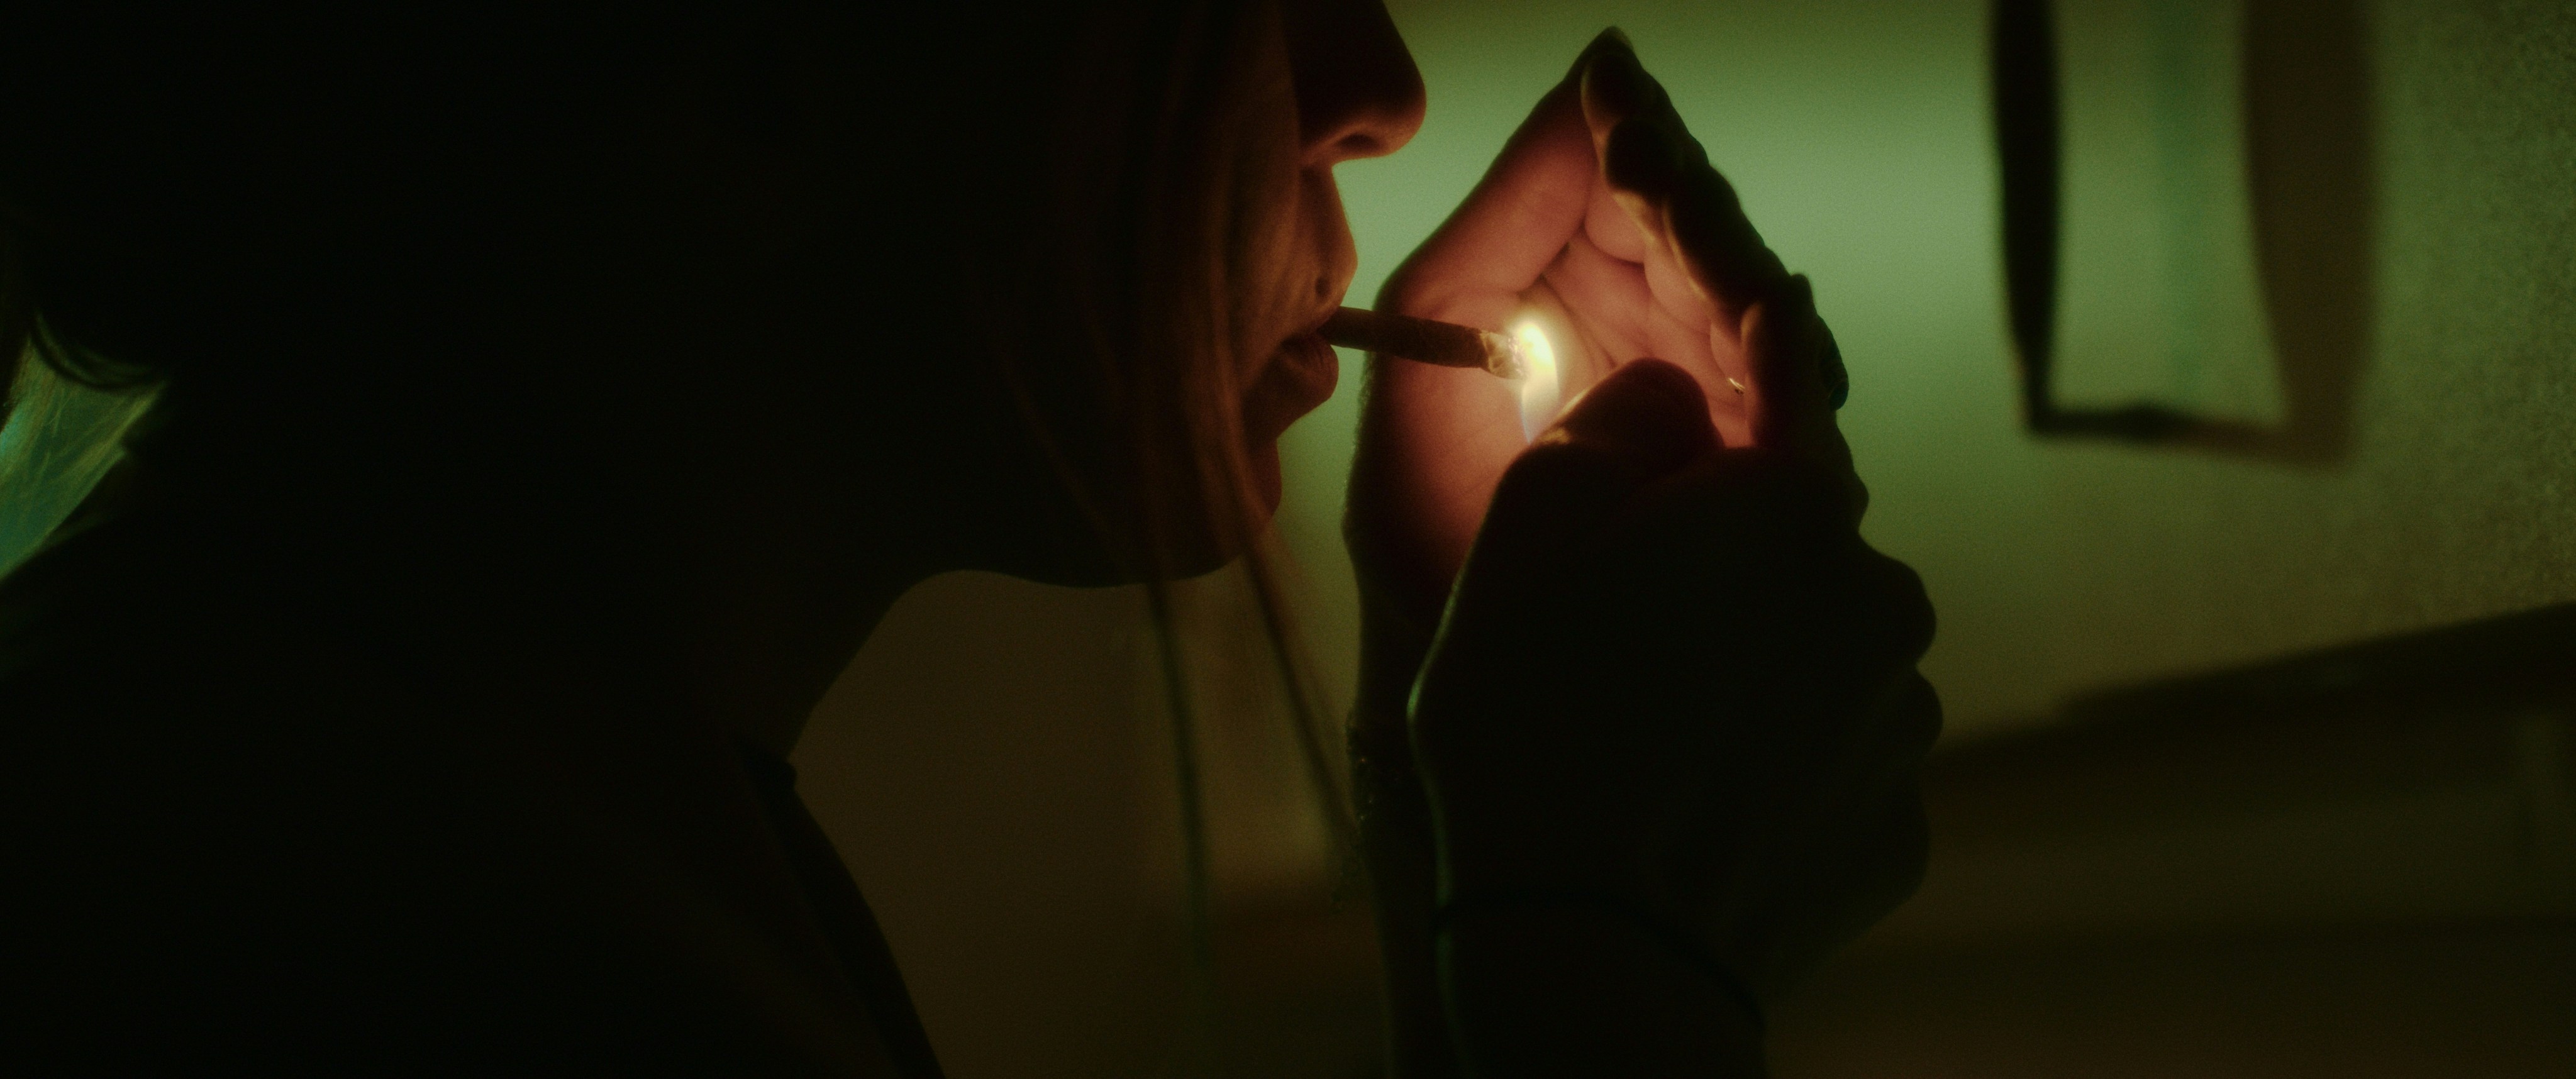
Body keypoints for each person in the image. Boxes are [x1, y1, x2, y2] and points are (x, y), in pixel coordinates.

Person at [0, 1, 1938, 1074]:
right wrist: (1613, 975)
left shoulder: (357, 762)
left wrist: (1465, 819)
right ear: (770, 63)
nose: (1378, 87)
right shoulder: (341, 954)